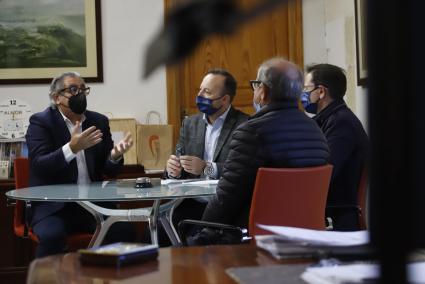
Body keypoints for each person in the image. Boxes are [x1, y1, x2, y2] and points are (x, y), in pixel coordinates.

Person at [199, 58, 330, 237]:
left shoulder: (251, 132)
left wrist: (200, 230)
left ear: (263, 91)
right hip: (308, 235)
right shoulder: (317, 131)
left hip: (254, 238)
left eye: (255, 85)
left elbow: (227, 198)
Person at [26, 71, 134, 257]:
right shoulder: (41, 122)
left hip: (92, 205)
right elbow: (39, 165)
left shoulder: (98, 121)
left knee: (123, 229)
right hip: (54, 208)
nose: (80, 95)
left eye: (83, 89)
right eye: (73, 89)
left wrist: (114, 156)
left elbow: (106, 170)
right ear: (56, 97)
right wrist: (71, 148)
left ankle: (106, 275)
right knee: (52, 236)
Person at [302, 63, 369, 231]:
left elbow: (324, 172)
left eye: (306, 89)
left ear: (321, 91)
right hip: (328, 210)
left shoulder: (341, 122)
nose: (303, 95)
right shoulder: (326, 119)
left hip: (339, 217)